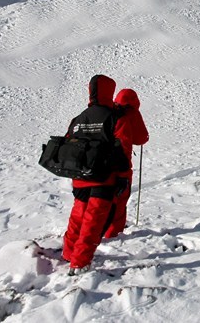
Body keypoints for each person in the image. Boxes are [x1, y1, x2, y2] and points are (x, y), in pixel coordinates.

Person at [62, 74, 132, 275]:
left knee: (78, 216)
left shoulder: (78, 118)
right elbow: (123, 149)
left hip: (80, 177)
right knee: (93, 221)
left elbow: (69, 142)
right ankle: (80, 262)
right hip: (104, 179)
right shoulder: (115, 117)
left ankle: (68, 253)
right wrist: (123, 176)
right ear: (110, 92)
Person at [104, 88, 149, 239]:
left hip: (98, 164)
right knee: (119, 201)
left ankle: (96, 232)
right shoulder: (132, 113)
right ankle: (113, 235)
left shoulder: (107, 110)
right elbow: (142, 138)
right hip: (121, 166)